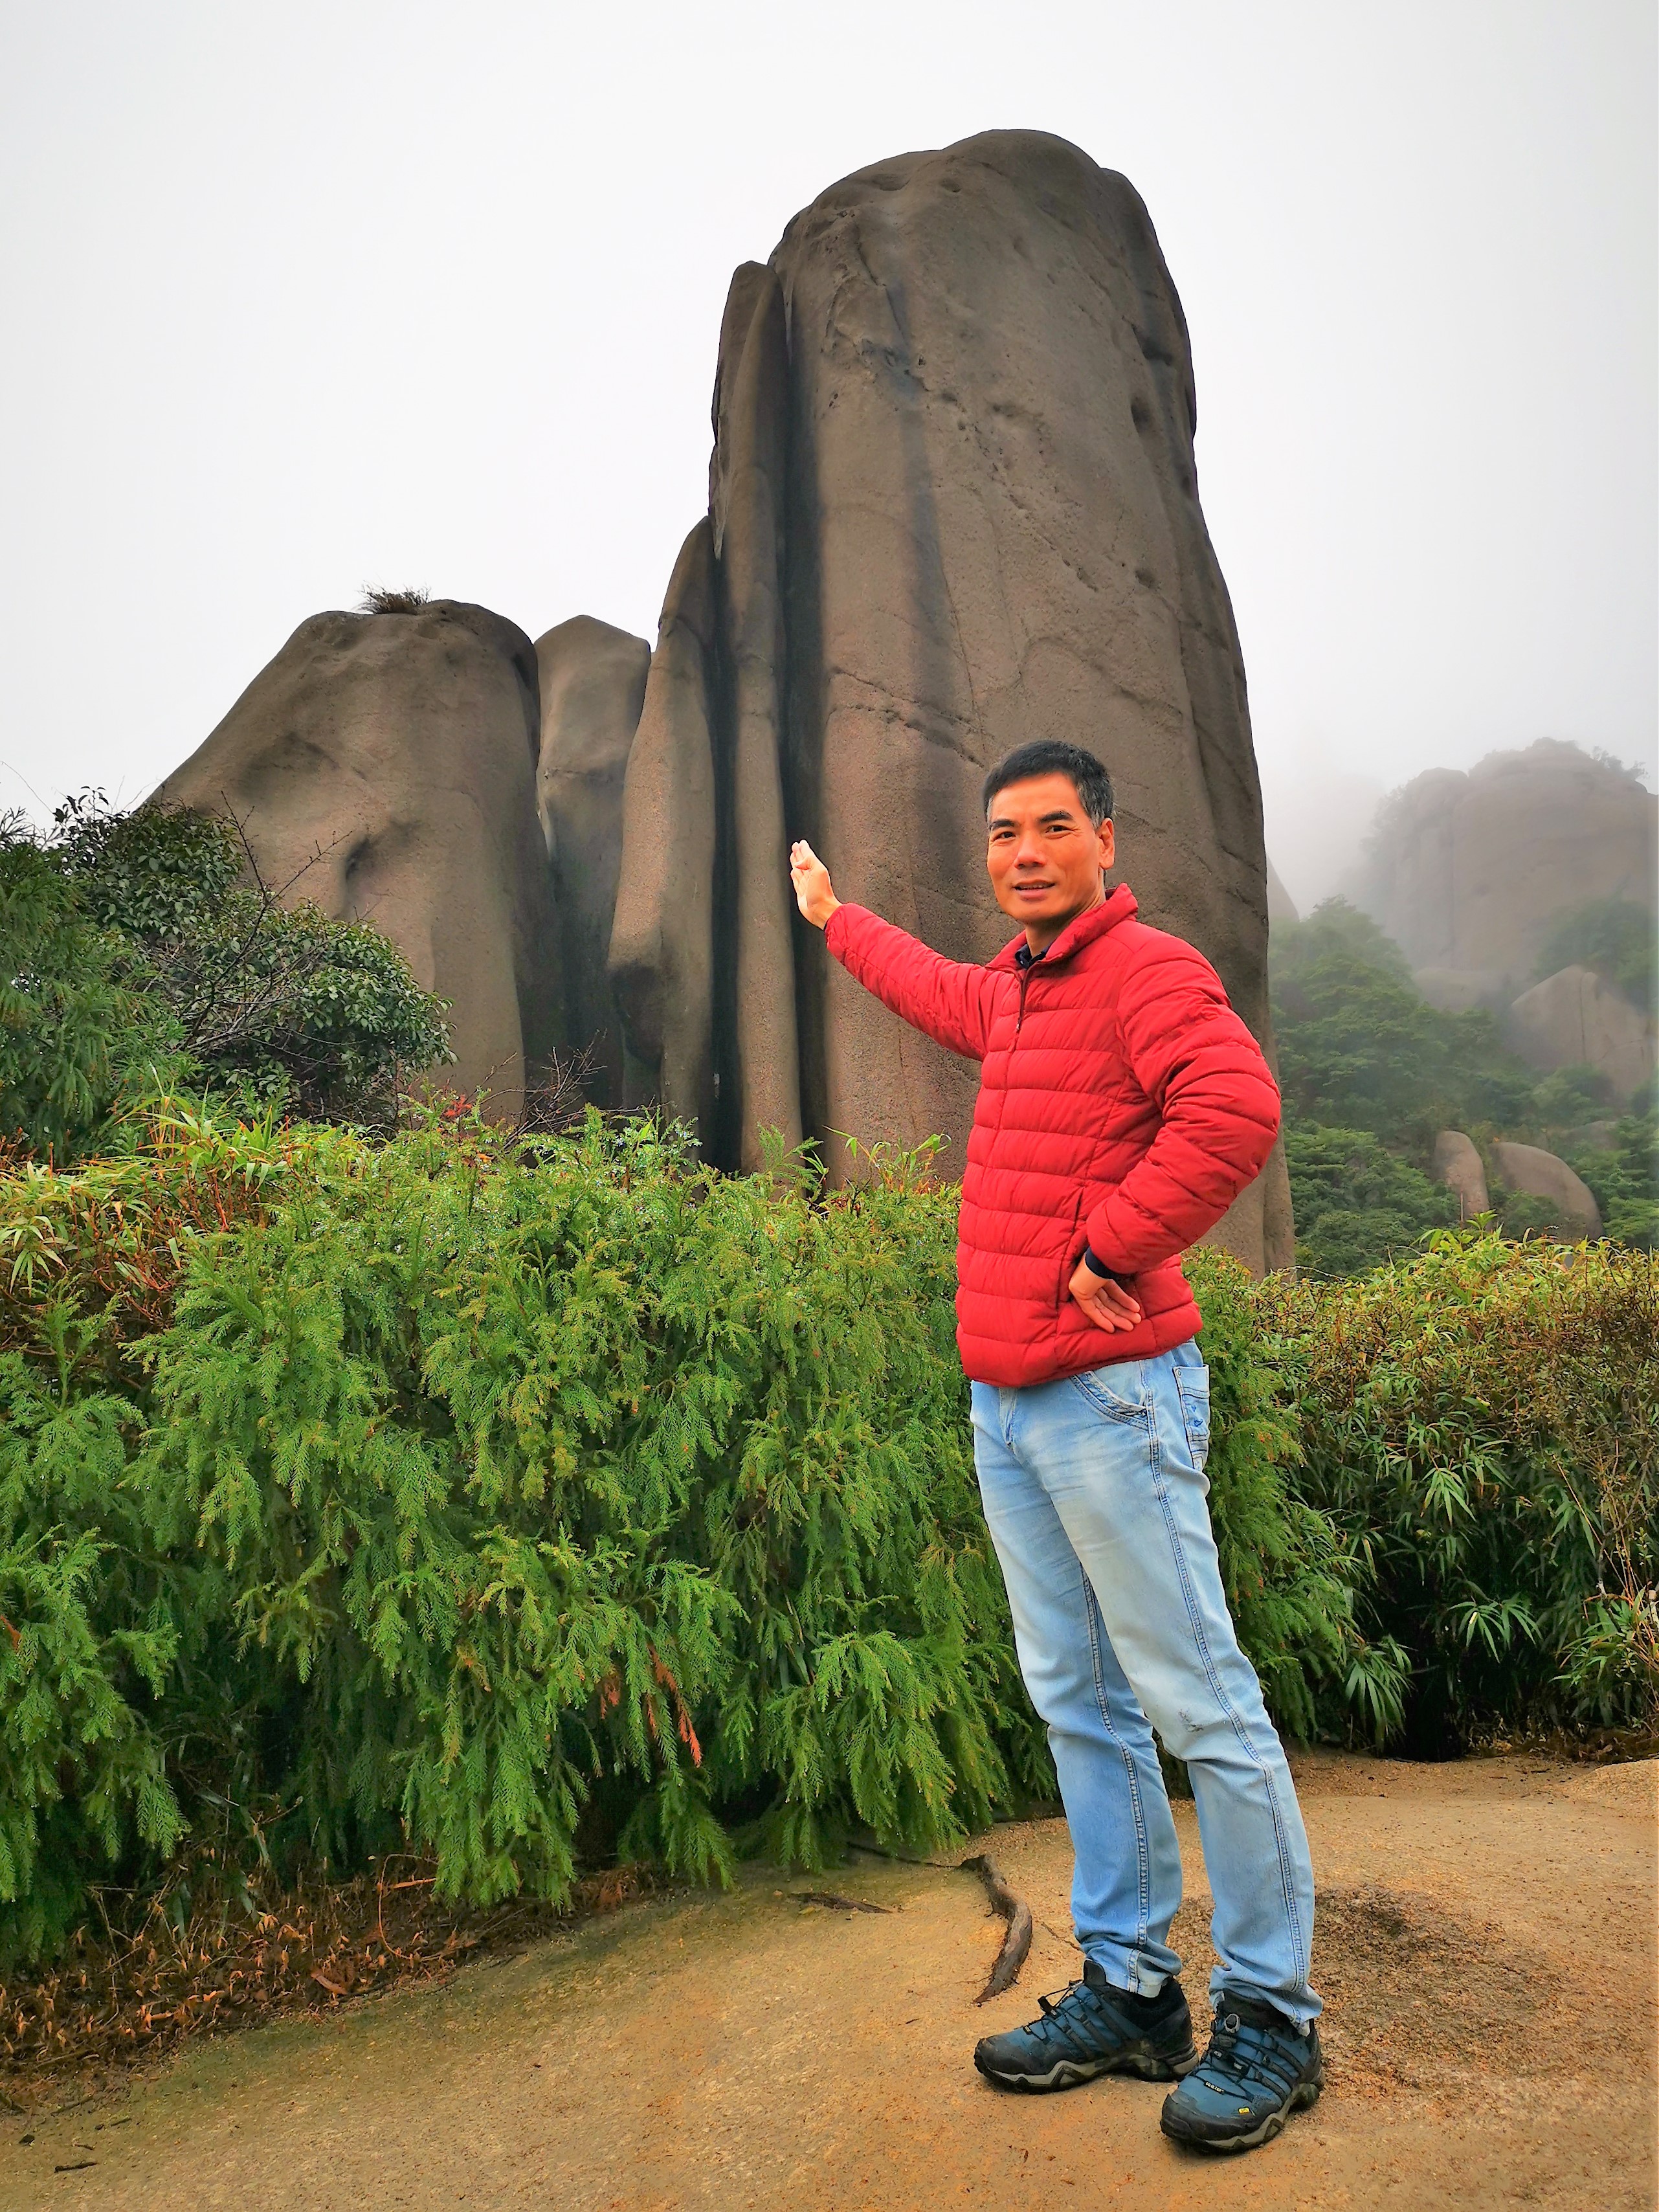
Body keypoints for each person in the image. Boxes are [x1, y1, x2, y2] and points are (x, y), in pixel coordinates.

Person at [787, 740, 1323, 2156]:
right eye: (1002, 833)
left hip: (1113, 1395)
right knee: (1079, 1698)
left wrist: (1110, 1240)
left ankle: (1271, 2013)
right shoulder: (1023, 991)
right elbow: (936, 990)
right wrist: (838, 918)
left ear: (1102, 834)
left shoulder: (1145, 969)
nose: (1022, 851)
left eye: (1050, 828)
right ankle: (1136, 1989)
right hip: (1011, 1402)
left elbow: (1237, 1109)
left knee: (1198, 1699)